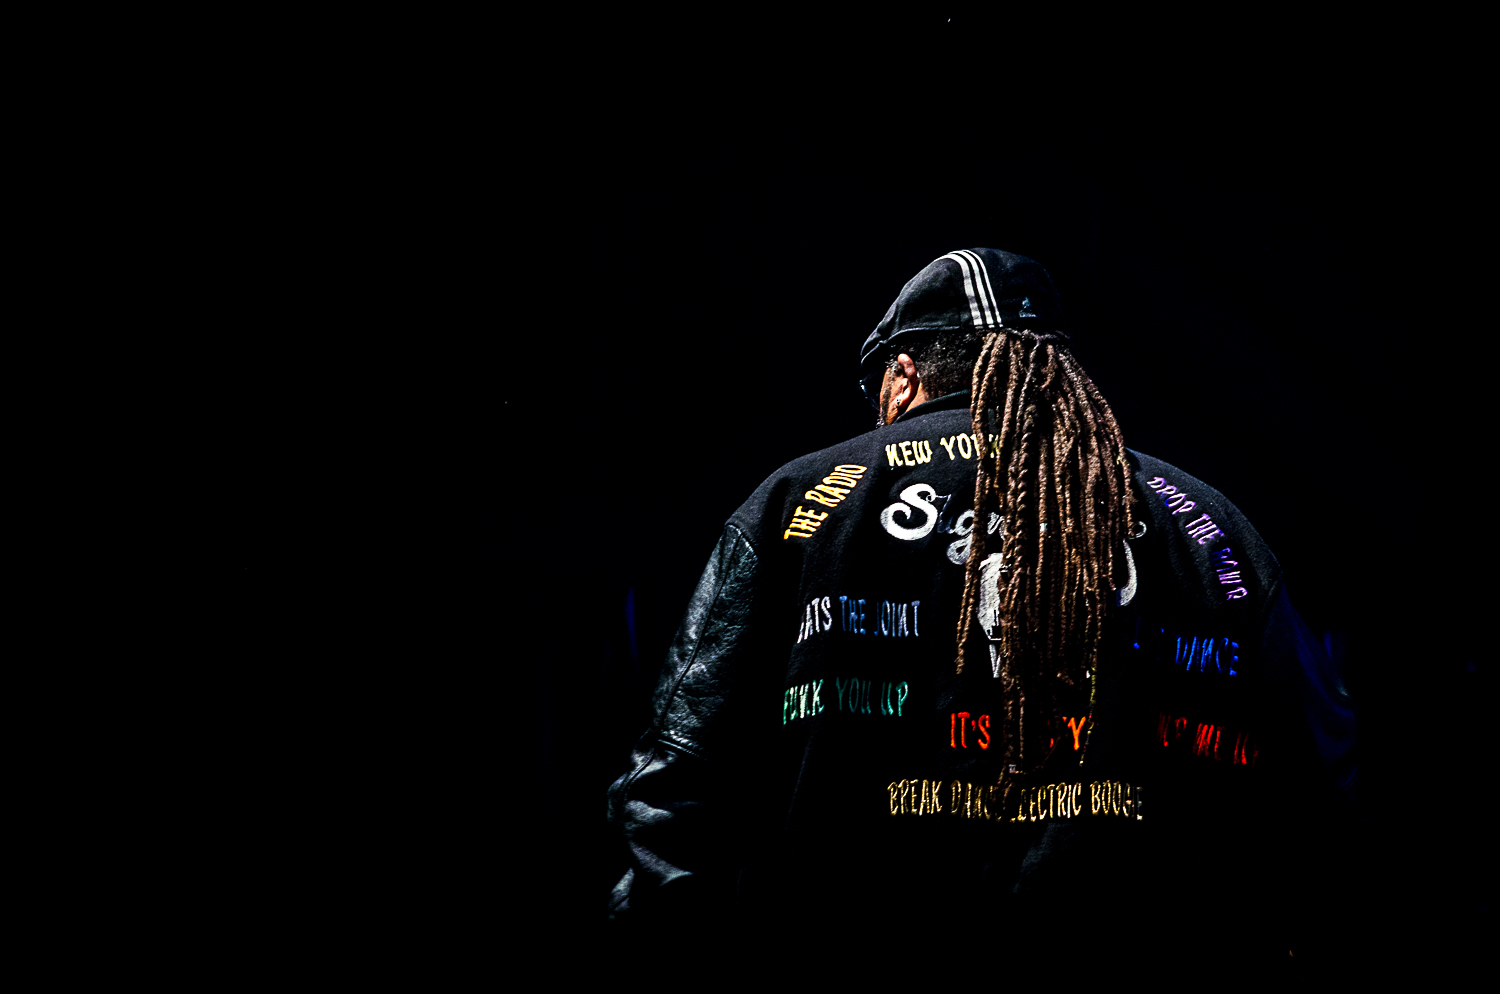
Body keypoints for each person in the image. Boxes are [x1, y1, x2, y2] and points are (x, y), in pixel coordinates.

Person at [606, 248, 1355, 951]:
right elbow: (1326, 782)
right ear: (1058, 369)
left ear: (904, 375)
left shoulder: (798, 502)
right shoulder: (1209, 527)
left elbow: (675, 780)